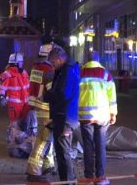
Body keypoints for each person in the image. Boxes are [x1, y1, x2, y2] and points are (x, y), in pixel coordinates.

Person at [78, 52, 117, 184]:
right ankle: (100, 178)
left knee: (87, 147)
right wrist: (113, 113)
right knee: (100, 146)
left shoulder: (80, 73)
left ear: (86, 60)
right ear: (98, 60)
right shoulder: (106, 74)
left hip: (84, 117)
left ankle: (88, 177)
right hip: (102, 116)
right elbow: (112, 96)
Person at [45, 45, 80, 183]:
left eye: (53, 63)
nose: (52, 66)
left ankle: (68, 181)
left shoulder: (67, 71)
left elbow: (63, 93)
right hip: (64, 115)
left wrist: (48, 95)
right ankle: (65, 179)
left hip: (65, 117)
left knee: (63, 151)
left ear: (59, 59)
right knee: (61, 151)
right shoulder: (67, 70)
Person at [26, 44, 57, 181]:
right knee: (44, 139)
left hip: (38, 106)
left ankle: (47, 165)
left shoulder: (36, 67)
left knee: (46, 137)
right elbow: (51, 91)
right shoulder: (49, 70)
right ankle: (33, 170)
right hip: (46, 107)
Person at [0, 53, 30, 124]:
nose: (22, 63)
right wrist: (2, 97)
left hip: (25, 103)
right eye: (21, 62)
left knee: (24, 125)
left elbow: (28, 87)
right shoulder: (7, 74)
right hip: (14, 105)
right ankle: (13, 135)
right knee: (15, 124)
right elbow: (2, 88)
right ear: (17, 63)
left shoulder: (24, 73)